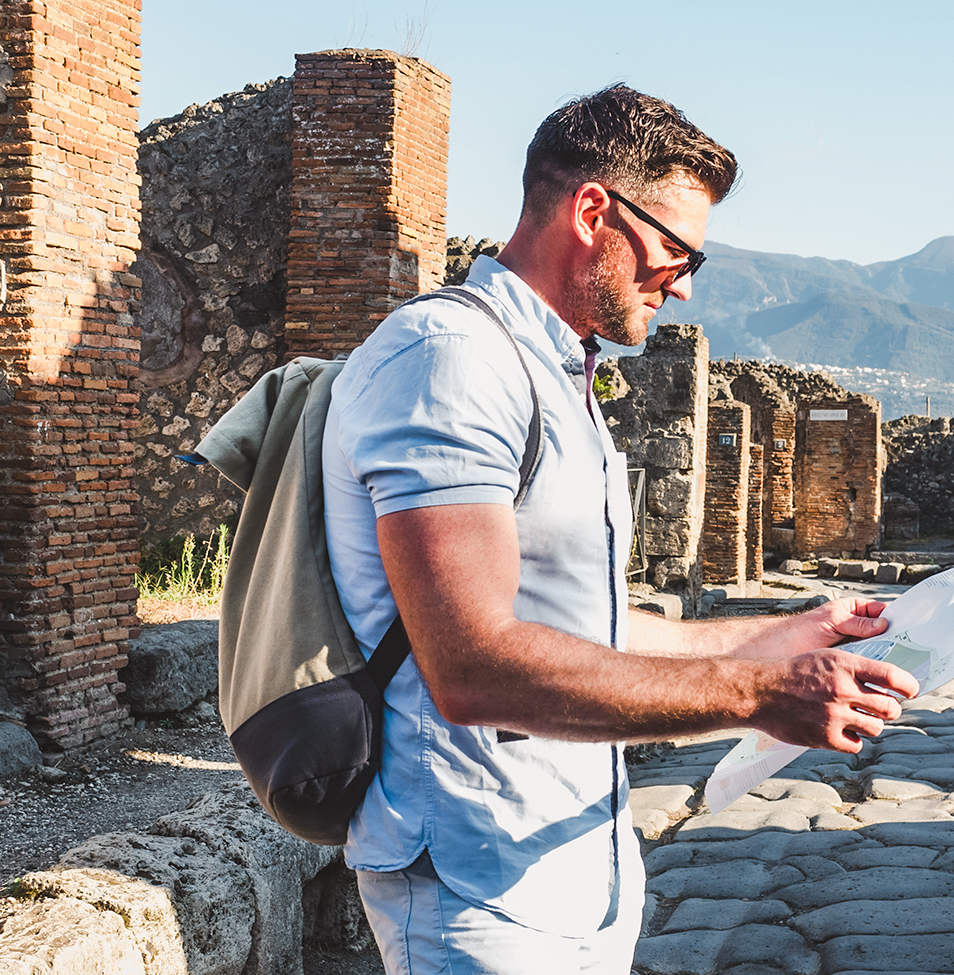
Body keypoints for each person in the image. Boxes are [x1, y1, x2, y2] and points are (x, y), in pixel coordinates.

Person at [319, 84, 920, 974]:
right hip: (476, 880)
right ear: (593, 211)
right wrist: (757, 697)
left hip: (572, 870)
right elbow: (470, 668)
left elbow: (581, 626)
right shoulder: (451, 362)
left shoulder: (556, 374)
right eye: (675, 250)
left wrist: (776, 639)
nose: (680, 282)